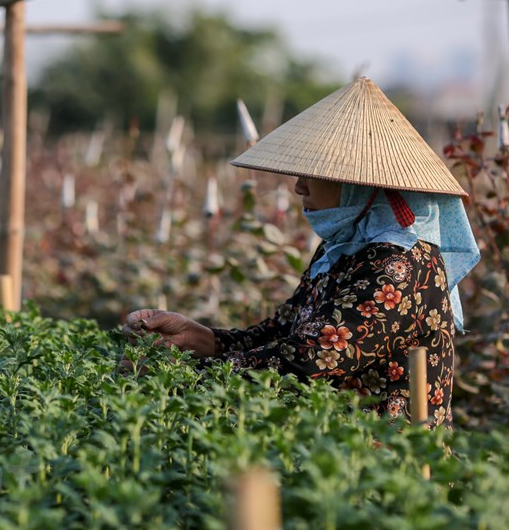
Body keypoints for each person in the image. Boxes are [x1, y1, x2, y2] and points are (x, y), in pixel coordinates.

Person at [122, 77, 480, 428]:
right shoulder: (342, 248)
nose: (298, 186)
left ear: (356, 182)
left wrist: (180, 375)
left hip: (387, 462)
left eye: (313, 172)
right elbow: (282, 332)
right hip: (330, 448)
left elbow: (313, 358)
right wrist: (201, 338)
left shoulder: (402, 264)